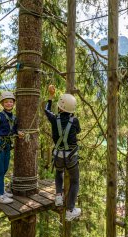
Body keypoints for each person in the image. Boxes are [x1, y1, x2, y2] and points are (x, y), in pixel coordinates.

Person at [44, 85, 81, 221]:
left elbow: (46, 110)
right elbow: (78, 131)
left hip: (58, 155)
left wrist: (51, 96)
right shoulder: (75, 121)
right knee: (74, 181)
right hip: (71, 156)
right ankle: (70, 209)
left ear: (60, 107)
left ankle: (58, 196)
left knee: (59, 173)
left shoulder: (54, 119)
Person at [0, 91, 24, 204]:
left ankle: (1, 191)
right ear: (2, 104)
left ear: (13, 103)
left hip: (7, 145)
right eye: (6, 102)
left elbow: (13, 130)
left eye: (10, 102)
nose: (9, 104)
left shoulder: (14, 117)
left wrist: (18, 132)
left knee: (4, 168)